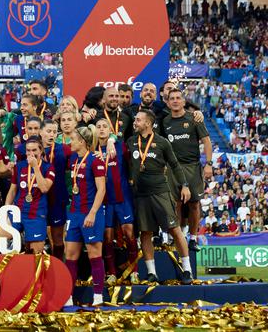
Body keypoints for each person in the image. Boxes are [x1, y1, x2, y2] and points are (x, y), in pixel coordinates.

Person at [126, 110, 193, 285]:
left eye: (138, 119)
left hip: (160, 192)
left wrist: (184, 185)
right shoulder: (131, 141)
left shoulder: (162, 142)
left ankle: (187, 269)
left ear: (148, 123)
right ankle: (151, 273)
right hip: (140, 194)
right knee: (145, 233)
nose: (135, 121)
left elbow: (175, 165)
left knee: (174, 229)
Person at [162, 88, 213, 252]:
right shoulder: (165, 122)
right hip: (173, 168)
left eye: (178, 98)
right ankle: (176, 237)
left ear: (184, 101)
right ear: (168, 102)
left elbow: (206, 141)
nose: (175, 101)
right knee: (175, 204)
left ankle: (193, 238)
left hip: (192, 166)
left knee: (194, 204)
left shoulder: (194, 119)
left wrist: (209, 164)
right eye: (172, 98)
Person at [63, 125, 107, 307]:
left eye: (72, 139)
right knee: (70, 254)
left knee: (95, 254)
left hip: (91, 213)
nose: (69, 142)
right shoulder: (74, 159)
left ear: (82, 141)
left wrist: (92, 213)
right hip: (74, 213)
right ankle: (68, 296)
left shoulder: (95, 161)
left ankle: (98, 296)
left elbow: (102, 189)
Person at [96, 118, 137, 283]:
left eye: (105, 126)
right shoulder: (93, 150)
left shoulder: (120, 147)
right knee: (107, 237)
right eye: (98, 126)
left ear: (110, 130)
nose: (101, 129)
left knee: (129, 232)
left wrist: (114, 139)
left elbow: (132, 163)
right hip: (104, 201)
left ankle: (134, 270)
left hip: (123, 198)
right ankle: (111, 272)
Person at [3, 136, 55, 254]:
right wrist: (5, 211)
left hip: (36, 215)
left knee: (35, 254)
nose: (31, 153)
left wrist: (35, 167)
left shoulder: (48, 167)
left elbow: (44, 188)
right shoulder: (20, 166)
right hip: (17, 213)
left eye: (34, 150)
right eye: (28, 150)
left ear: (41, 151)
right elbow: (12, 191)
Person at [43, 118, 70, 261]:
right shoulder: (31, 148)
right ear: (41, 132)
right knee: (37, 237)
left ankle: (60, 266)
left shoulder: (64, 149)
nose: (52, 134)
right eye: (48, 131)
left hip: (57, 198)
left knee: (58, 237)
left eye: (54, 131)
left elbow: (80, 158)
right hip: (38, 199)